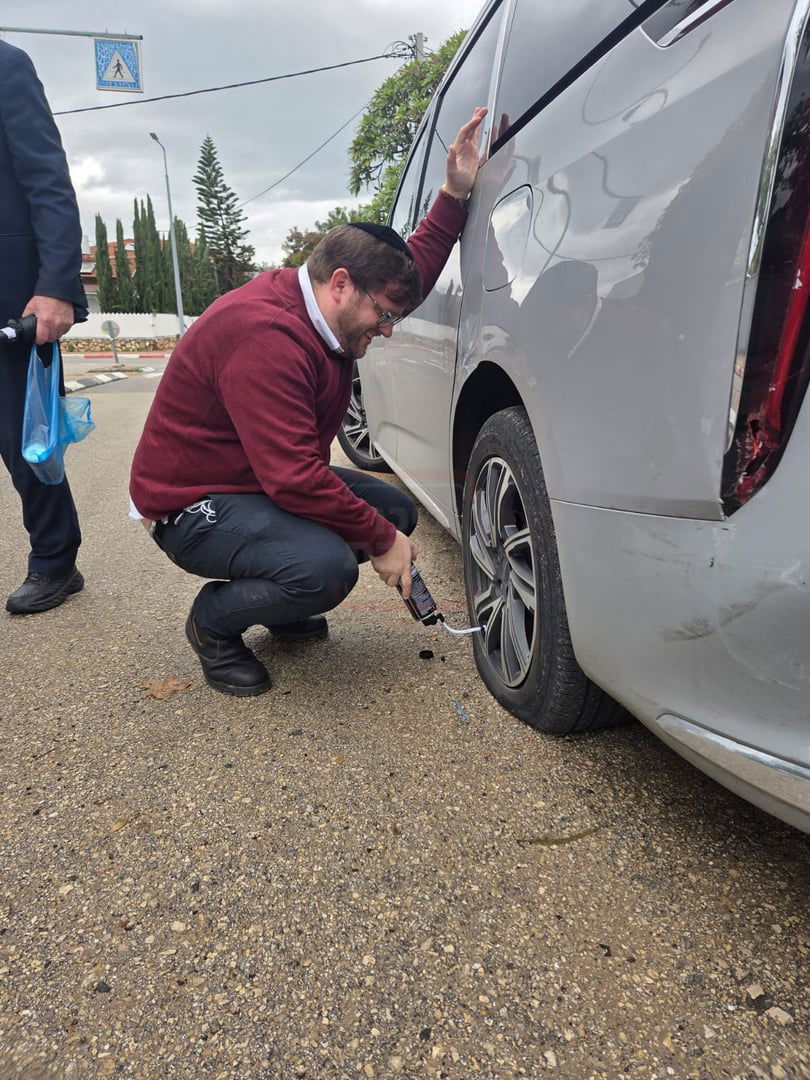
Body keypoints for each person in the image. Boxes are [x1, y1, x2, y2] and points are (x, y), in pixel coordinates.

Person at [130, 107, 487, 697]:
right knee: (329, 566)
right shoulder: (265, 336)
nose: (390, 330)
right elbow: (293, 478)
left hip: (252, 482)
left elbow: (407, 270)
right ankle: (213, 624)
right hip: (193, 506)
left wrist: (453, 192)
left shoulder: (334, 307)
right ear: (341, 283)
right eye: (385, 316)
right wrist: (377, 542)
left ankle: (282, 605)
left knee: (393, 512)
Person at [0, 40, 88, 614]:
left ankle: (55, 562)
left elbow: (47, 179)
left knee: (26, 437)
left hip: (11, 298)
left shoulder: (6, 65)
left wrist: (57, 285)